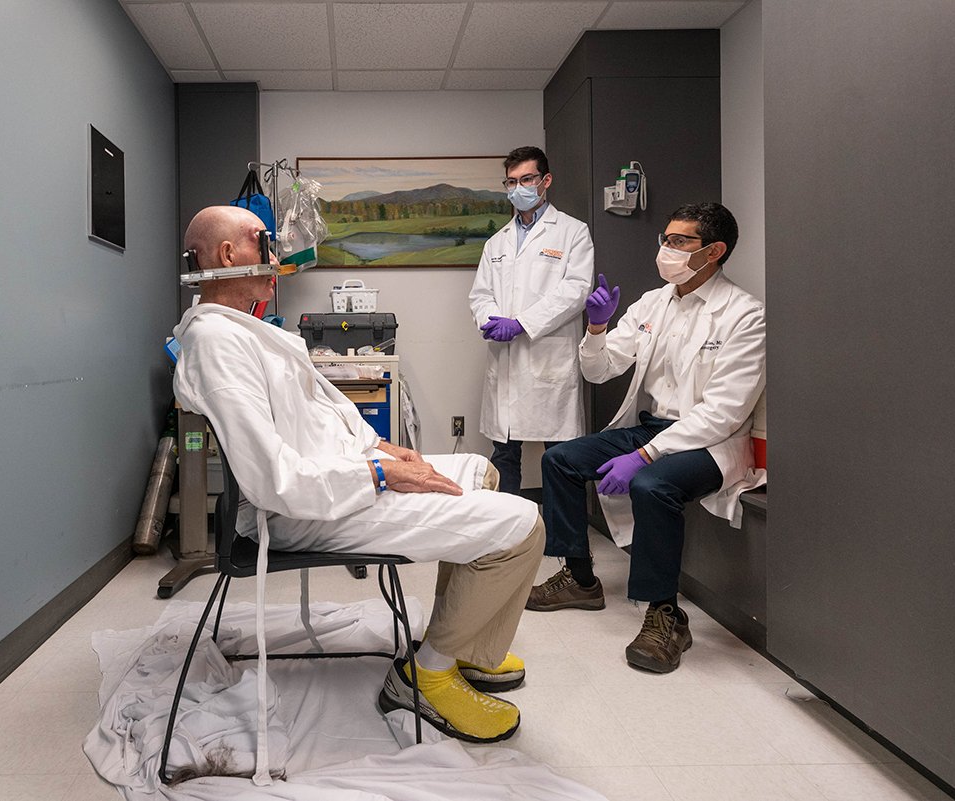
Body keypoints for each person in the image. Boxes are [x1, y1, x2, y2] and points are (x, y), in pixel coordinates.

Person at [172, 205, 545, 743]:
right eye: (264, 242)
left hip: (340, 475)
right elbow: (276, 481)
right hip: (305, 508)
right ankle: (425, 677)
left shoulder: (245, 330)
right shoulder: (216, 342)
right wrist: (380, 474)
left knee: (480, 471)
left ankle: (456, 644)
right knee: (523, 526)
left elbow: (324, 413)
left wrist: (383, 448)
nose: (276, 257)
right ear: (229, 255)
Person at [527, 202, 766, 674]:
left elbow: (724, 413)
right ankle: (580, 579)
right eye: (665, 239)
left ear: (714, 251)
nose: (666, 249)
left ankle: (665, 615)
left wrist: (645, 455)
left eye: (680, 241)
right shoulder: (654, 302)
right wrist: (597, 327)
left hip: (711, 441)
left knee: (652, 485)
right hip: (652, 427)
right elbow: (599, 370)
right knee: (560, 460)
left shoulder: (744, 315)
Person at [469, 146, 594, 495]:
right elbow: (480, 294)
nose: (518, 188)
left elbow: (576, 290)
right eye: (511, 182)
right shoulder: (497, 242)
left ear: (545, 180)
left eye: (526, 179)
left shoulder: (572, 232)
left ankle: (560, 527)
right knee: (504, 455)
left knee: (559, 458)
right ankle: (511, 524)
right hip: (506, 362)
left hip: (548, 360)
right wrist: (491, 320)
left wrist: (522, 323)